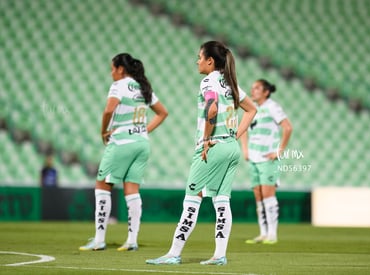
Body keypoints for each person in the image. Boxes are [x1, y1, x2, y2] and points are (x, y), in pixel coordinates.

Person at [146, 41, 257, 265]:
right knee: (222, 201)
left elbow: (212, 108)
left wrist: (206, 139)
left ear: (210, 61)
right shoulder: (230, 83)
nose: (197, 61)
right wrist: (235, 134)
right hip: (230, 148)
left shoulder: (208, 81)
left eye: (199, 57)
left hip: (212, 146)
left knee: (191, 199)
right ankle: (219, 255)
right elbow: (252, 109)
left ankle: (174, 253)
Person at [79, 53, 168, 251]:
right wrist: (144, 130)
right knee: (132, 190)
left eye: (113, 68)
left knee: (103, 185)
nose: (111, 73)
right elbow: (163, 113)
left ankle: (99, 239)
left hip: (122, 142)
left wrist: (103, 131)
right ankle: (131, 240)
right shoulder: (143, 87)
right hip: (142, 143)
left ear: (121, 69)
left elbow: (108, 110)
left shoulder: (119, 86)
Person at [241, 79, 292, 244]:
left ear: (266, 92)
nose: (253, 90)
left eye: (257, 88)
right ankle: (263, 233)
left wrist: (280, 150)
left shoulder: (272, 106)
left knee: (268, 196)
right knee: (258, 196)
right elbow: (242, 129)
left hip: (267, 159)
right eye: (252, 88)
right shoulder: (252, 108)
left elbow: (287, 127)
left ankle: (272, 234)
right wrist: (245, 149)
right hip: (254, 159)